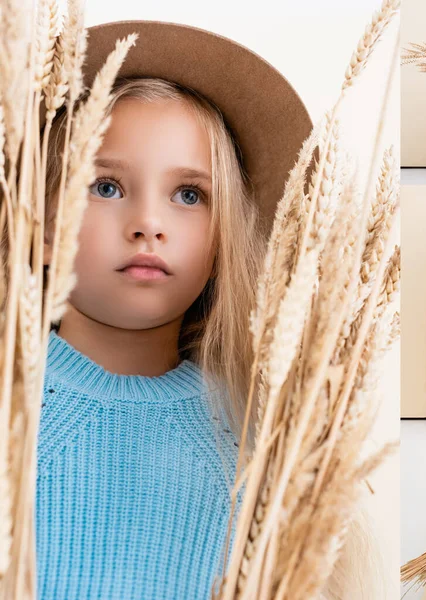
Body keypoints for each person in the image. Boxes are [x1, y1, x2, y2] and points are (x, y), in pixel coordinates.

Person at [36, 20, 312, 599]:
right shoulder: (14, 410)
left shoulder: (259, 446)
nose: (148, 224)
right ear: (41, 222)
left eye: (189, 195)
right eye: (105, 186)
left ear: (224, 242)